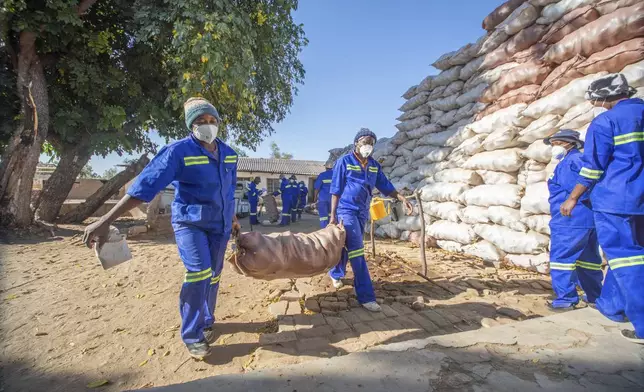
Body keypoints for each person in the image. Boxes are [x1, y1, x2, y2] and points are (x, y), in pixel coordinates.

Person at [83, 97, 241, 358]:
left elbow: (229, 189)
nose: (208, 125)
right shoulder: (177, 152)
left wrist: (233, 218)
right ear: (191, 125)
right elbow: (144, 187)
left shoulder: (230, 154)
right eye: (201, 121)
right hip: (190, 223)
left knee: (214, 275)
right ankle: (192, 334)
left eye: (212, 121)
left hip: (220, 223)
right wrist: (105, 220)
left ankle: (207, 319)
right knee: (199, 272)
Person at [560, 74, 644, 344]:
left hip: (617, 200)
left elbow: (592, 167)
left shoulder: (606, 121)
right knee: (631, 257)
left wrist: (573, 197)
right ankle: (613, 307)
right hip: (639, 199)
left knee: (627, 259)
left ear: (604, 97)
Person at [328, 128, 413, 312]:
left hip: (362, 212)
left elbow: (386, 186)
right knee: (357, 250)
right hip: (346, 210)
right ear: (356, 143)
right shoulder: (345, 162)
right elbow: (335, 190)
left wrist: (402, 198)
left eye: (371, 143)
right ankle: (366, 296)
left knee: (346, 245)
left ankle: (335, 273)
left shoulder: (374, 165)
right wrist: (333, 216)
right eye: (365, 142)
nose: (368, 146)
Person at [544, 129, 602, 311]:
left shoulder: (571, 162)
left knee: (561, 258)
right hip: (586, 218)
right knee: (588, 259)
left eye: (557, 144)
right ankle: (595, 296)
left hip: (570, 218)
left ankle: (565, 299)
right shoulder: (579, 161)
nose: (554, 148)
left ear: (569, 143)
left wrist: (572, 201)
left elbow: (577, 189)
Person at [314, 161, 334, 228]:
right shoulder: (336, 174)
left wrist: (315, 197)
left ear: (325, 167)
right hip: (334, 199)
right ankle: (331, 230)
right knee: (332, 215)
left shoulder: (322, 175)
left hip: (323, 199)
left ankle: (324, 231)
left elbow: (317, 188)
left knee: (323, 217)